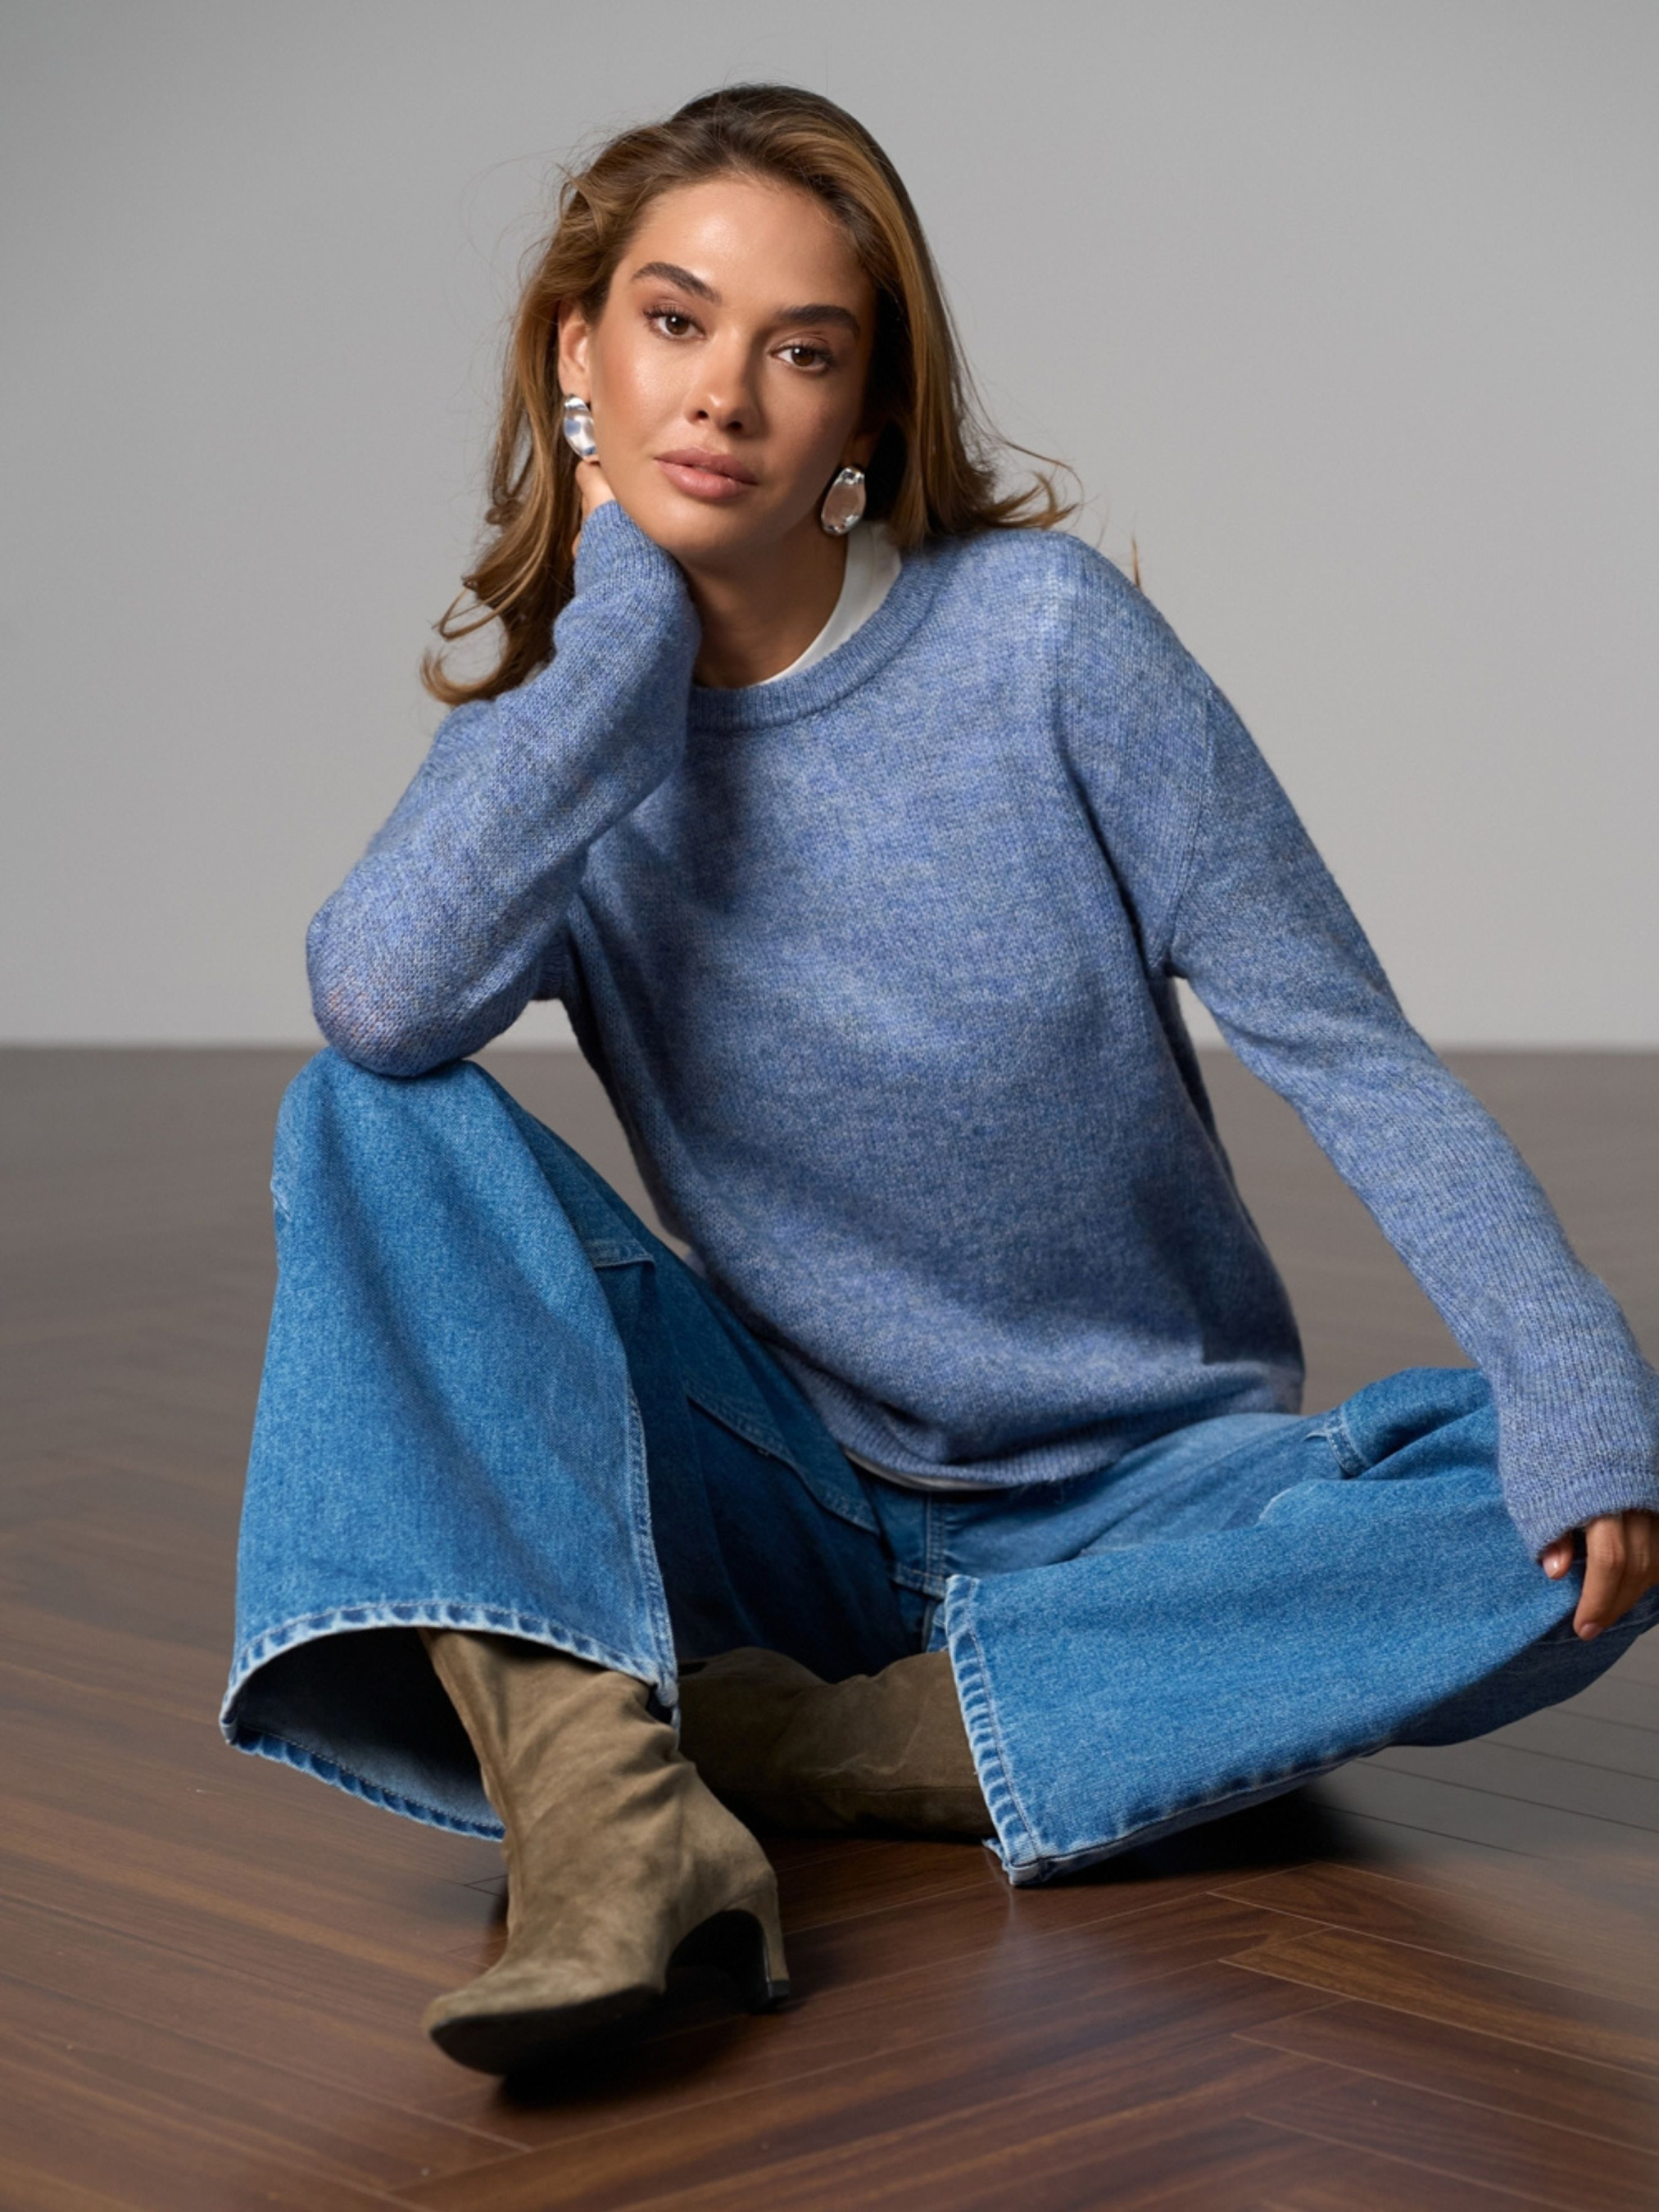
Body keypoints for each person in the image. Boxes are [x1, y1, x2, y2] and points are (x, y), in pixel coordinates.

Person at [220, 84, 1659, 2078]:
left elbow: (1341, 1046)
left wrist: (1577, 1391)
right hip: (787, 1496)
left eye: (799, 351)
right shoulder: (560, 755)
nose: (722, 394)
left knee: (1572, 1496)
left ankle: (803, 1747)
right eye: (673, 322)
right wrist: (620, 636)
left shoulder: (1044, 647)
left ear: (866, 415)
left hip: (1142, 1502)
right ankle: (609, 1824)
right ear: (576, 353)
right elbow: (378, 1006)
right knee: (360, 1112)